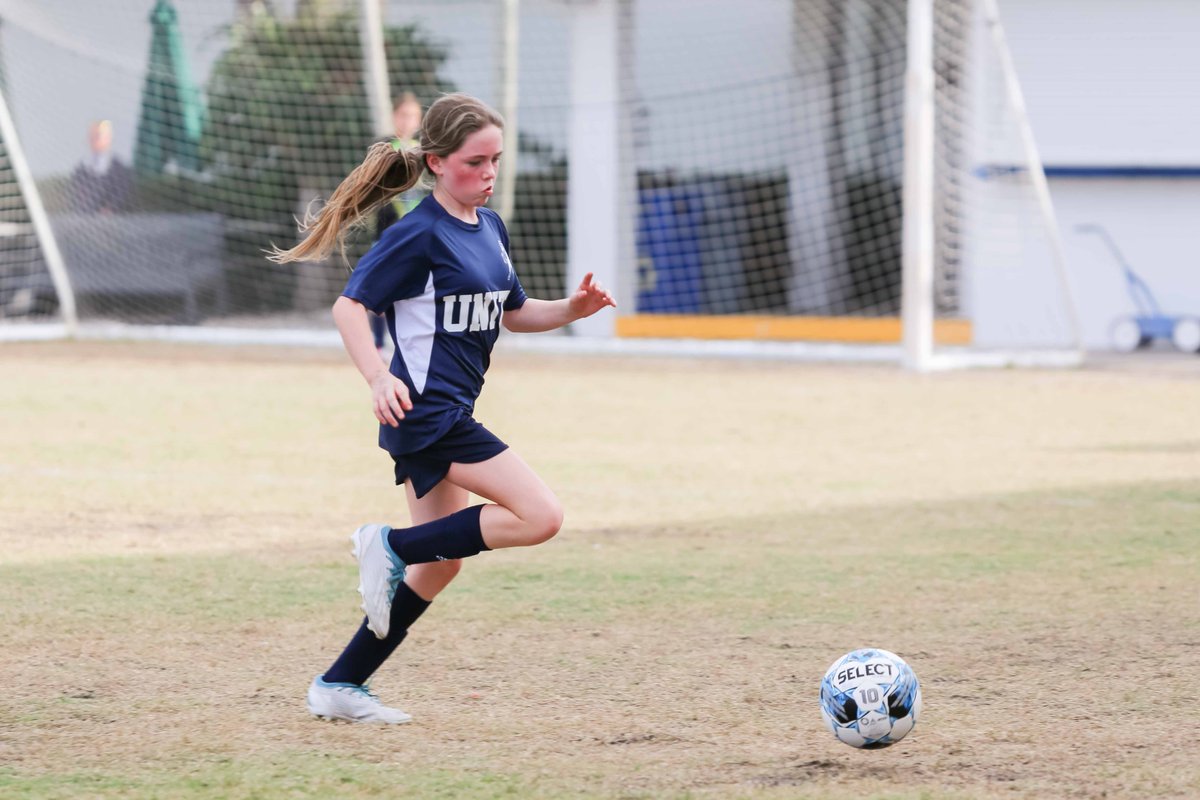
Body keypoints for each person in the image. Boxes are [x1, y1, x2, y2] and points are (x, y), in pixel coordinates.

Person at [269, 93, 616, 724]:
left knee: (443, 561)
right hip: (427, 412)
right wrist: (376, 375)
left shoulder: (491, 230)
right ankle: (388, 542)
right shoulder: (417, 235)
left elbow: (512, 312)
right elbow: (350, 307)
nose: (488, 174)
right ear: (435, 162)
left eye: (495, 161)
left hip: (444, 411)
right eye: (474, 162)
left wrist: (571, 310)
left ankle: (339, 684)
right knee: (541, 514)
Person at [370, 92, 426, 357]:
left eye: (413, 115)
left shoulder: (426, 151)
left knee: (414, 292)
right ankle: (378, 344)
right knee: (380, 290)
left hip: (417, 234)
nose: (408, 120)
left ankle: (409, 342)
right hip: (387, 232)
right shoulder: (384, 146)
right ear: (394, 117)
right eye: (404, 115)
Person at [69, 120, 133, 214]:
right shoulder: (81, 166)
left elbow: (122, 193)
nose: (93, 140)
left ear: (108, 138)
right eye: (91, 136)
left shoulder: (118, 167)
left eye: (97, 136)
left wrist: (110, 208)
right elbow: (75, 192)